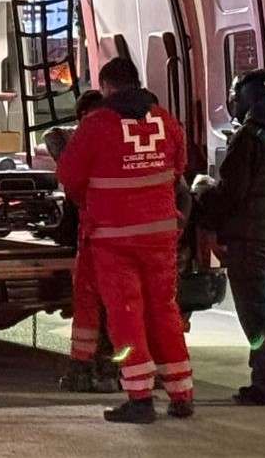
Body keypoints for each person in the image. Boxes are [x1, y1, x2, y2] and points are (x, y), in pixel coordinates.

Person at [56, 58, 194, 424]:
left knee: (126, 315)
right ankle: (181, 393)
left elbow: (68, 174)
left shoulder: (97, 124)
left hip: (114, 238)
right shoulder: (165, 121)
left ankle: (140, 398)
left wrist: (89, 200)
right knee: (165, 310)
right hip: (161, 234)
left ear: (106, 87)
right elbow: (178, 168)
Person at [193, 69, 265, 406]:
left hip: (248, 240)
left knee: (257, 318)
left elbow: (232, 192)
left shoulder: (251, 137)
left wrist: (202, 194)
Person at [46, 90, 121, 394]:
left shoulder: (88, 137)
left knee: (92, 304)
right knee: (122, 306)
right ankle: (115, 369)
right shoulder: (134, 133)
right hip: (130, 234)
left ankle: (85, 369)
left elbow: (69, 175)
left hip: (97, 234)